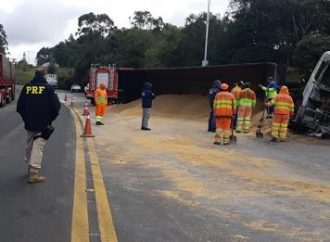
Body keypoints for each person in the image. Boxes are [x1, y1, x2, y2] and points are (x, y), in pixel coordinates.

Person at [17, 67, 60, 183]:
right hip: (42, 124)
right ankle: (34, 173)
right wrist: (49, 120)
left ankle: (29, 166)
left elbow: (20, 107)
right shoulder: (48, 88)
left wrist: (26, 119)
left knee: (30, 145)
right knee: (38, 146)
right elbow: (56, 108)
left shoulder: (27, 87)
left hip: (29, 124)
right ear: (44, 76)